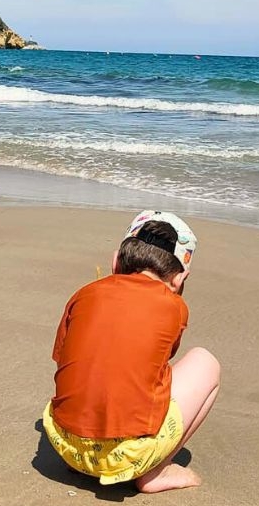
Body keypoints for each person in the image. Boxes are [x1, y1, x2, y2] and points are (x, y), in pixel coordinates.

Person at [42, 211, 221, 493]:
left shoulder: (83, 293)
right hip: (129, 458)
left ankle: (83, 456)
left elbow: (63, 359)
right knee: (205, 362)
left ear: (115, 261)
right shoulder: (174, 306)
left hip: (65, 446)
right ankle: (155, 473)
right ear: (179, 279)